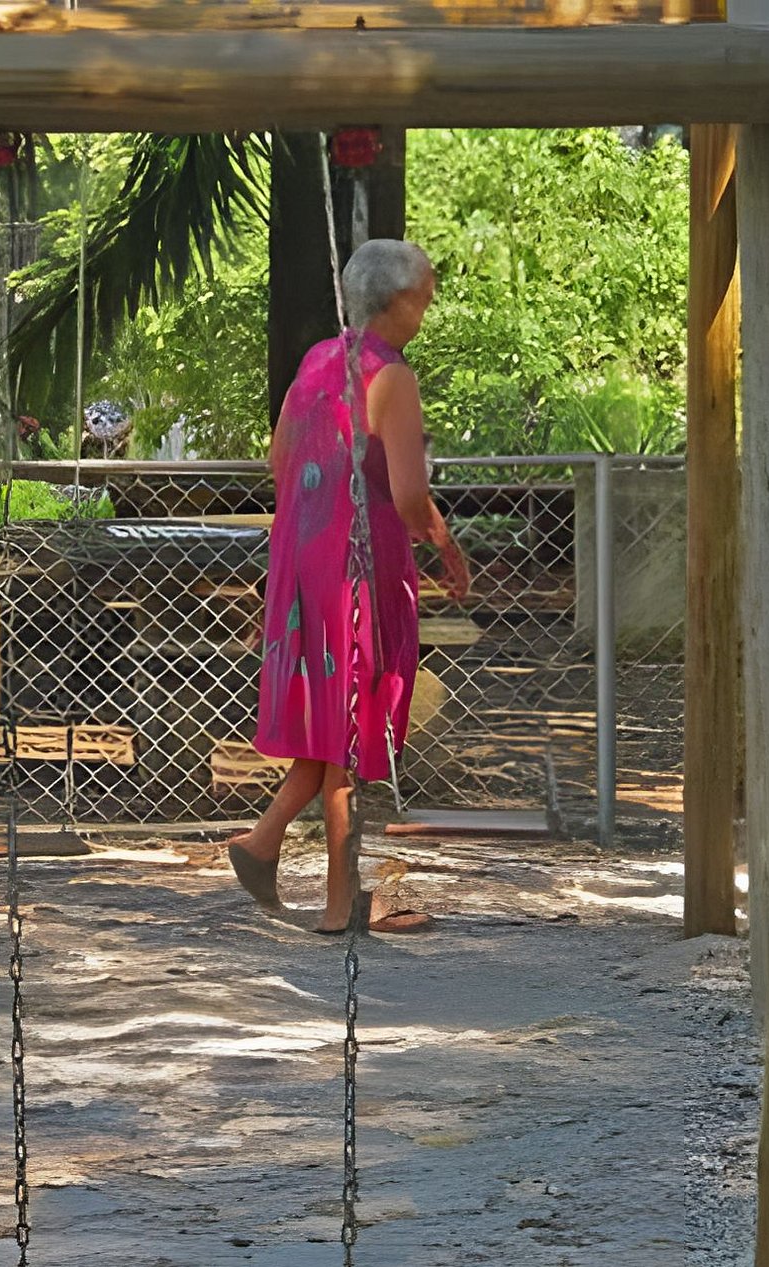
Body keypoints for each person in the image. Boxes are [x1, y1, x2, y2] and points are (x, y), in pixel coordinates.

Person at [225, 240, 469, 933]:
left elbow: (279, 458)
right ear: (402, 302)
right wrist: (446, 545)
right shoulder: (391, 375)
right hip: (358, 568)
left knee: (331, 724)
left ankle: (261, 843)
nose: (427, 309)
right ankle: (339, 907)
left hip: (304, 561)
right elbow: (410, 494)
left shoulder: (316, 361)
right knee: (351, 729)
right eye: (425, 296)